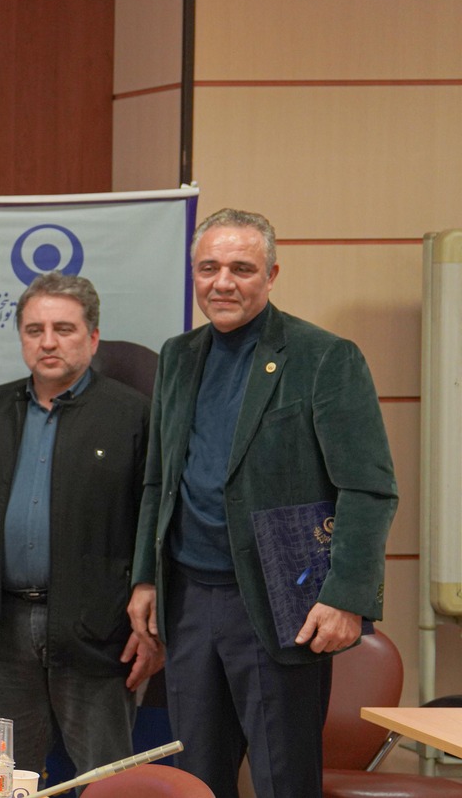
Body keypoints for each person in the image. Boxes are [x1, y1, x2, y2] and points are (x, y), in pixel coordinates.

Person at [128, 209, 397, 798]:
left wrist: (345, 597)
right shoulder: (177, 355)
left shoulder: (324, 356)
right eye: (209, 268)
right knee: (196, 781)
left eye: (241, 269)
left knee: (282, 780)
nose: (223, 282)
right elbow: (158, 481)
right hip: (189, 603)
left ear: (271, 275)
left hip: (280, 604)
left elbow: (368, 488)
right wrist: (146, 578)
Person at [0, 273, 159, 775]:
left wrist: (155, 621)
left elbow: (156, 524)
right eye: (34, 330)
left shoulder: (132, 415)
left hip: (98, 630)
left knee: (106, 778)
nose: (47, 342)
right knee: (5, 777)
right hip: (3, 629)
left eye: (64, 329)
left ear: (93, 337)